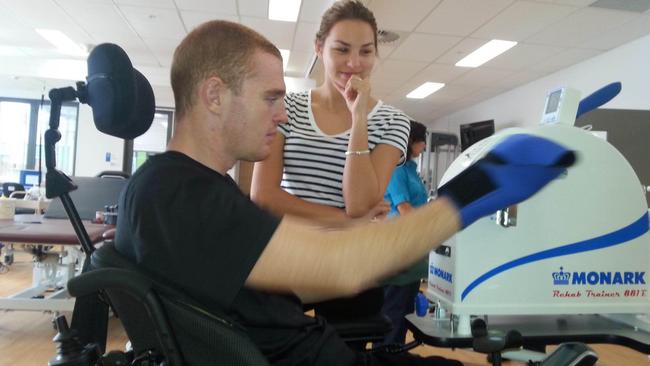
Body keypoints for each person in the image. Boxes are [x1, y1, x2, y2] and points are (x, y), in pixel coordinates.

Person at [114, 19, 574, 366]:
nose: (281, 114)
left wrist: (387, 251)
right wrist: (476, 191)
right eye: (270, 98)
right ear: (215, 95)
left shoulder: (175, 190)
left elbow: (298, 276)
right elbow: (340, 266)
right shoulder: (180, 194)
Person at [250, 0, 410, 325]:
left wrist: (359, 118)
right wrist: (346, 223)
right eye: (341, 50)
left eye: (366, 52)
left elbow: (359, 202)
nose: (354, 63)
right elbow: (264, 196)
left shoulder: (393, 121)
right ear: (319, 48)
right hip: (288, 256)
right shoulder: (287, 108)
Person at [379, 120, 429, 346]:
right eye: (422, 141)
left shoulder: (410, 168)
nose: (425, 146)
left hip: (413, 247)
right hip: (399, 246)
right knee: (394, 312)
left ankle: (397, 355)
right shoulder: (396, 169)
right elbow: (405, 209)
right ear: (410, 142)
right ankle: (385, 356)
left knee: (406, 310)